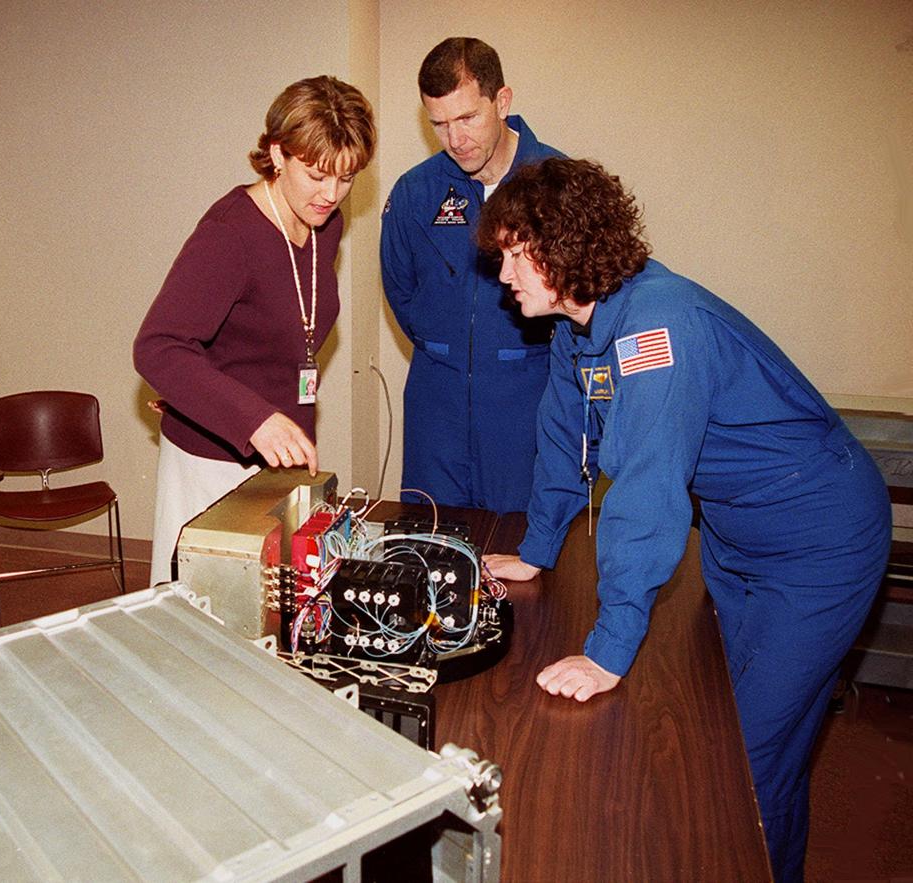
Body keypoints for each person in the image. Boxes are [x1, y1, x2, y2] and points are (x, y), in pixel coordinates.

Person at [479, 158, 890, 882]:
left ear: (566, 249)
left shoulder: (655, 327)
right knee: (728, 741)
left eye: (517, 253)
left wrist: (609, 647)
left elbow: (646, 485)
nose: (504, 272)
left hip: (820, 543)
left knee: (742, 771)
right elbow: (561, 435)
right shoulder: (580, 328)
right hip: (739, 536)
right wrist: (538, 548)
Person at [134, 75, 376, 585]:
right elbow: (158, 348)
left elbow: (284, 330)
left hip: (280, 459)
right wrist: (255, 419)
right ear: (277, 154)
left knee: (279, 608)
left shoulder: (322, 223)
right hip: (213, 461)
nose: (332, 194)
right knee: (207, 616)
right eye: (316, 174)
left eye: (346, 177)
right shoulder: (229, 235)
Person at [381, 37, 563, 513]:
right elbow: (401, 290)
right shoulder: (415, 192)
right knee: (429, 546)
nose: (455, 139)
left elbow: (585, 303)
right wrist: (446, 346)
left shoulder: (556, 183)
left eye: (467, 118)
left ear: (502, 101)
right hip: (435, 400)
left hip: (529, 398)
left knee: (523, 553)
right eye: (438, 124)